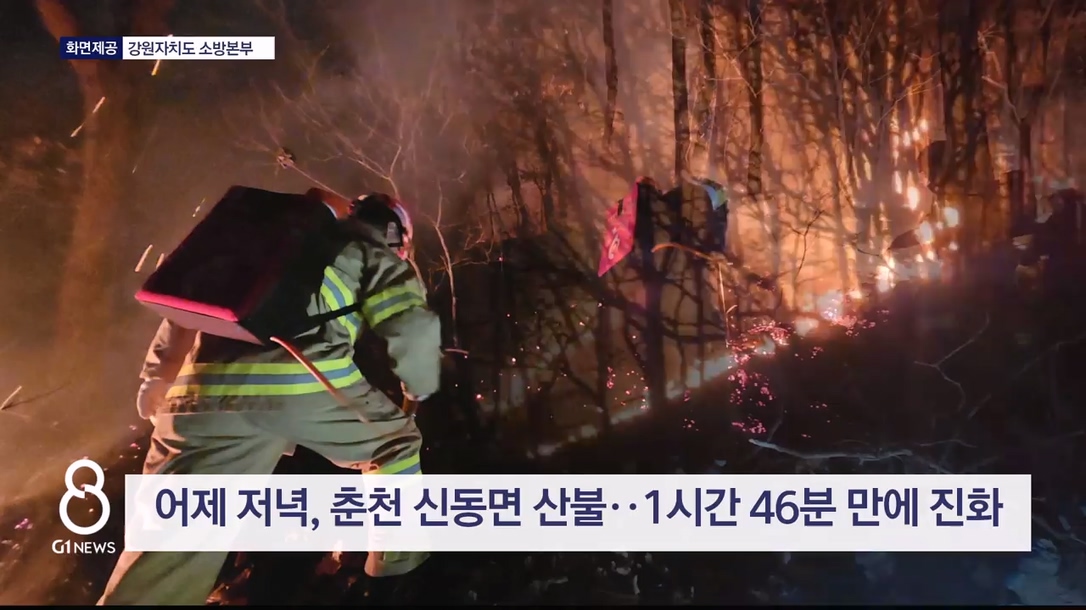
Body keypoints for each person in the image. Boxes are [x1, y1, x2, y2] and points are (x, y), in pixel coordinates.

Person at [98, 192, 443, 605]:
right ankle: (395, 575)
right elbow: (412, 328)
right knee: (395, 444)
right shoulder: (371, 253)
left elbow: (187, 306)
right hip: (293, 380)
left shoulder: (274, 242)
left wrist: (157, 378)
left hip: (196, 392)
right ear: (394, 234)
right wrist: (418, 386)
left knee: (170, 543)